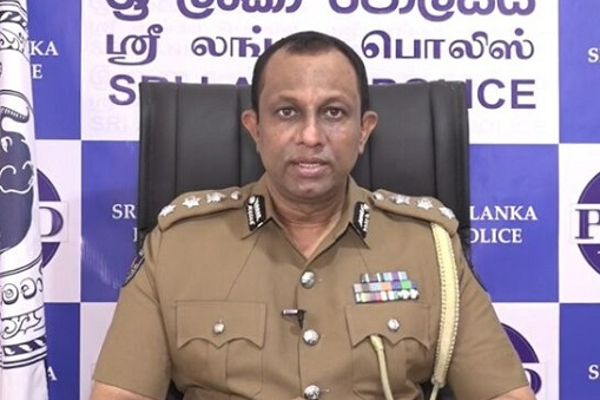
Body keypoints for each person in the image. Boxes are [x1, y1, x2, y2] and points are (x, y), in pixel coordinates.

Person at [89, 31, 536, 400]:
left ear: (364, 131)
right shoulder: (179, 246)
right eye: (287, 112)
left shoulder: (429, 248)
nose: (310, 135)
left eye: (333, 113)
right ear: (255, 129)